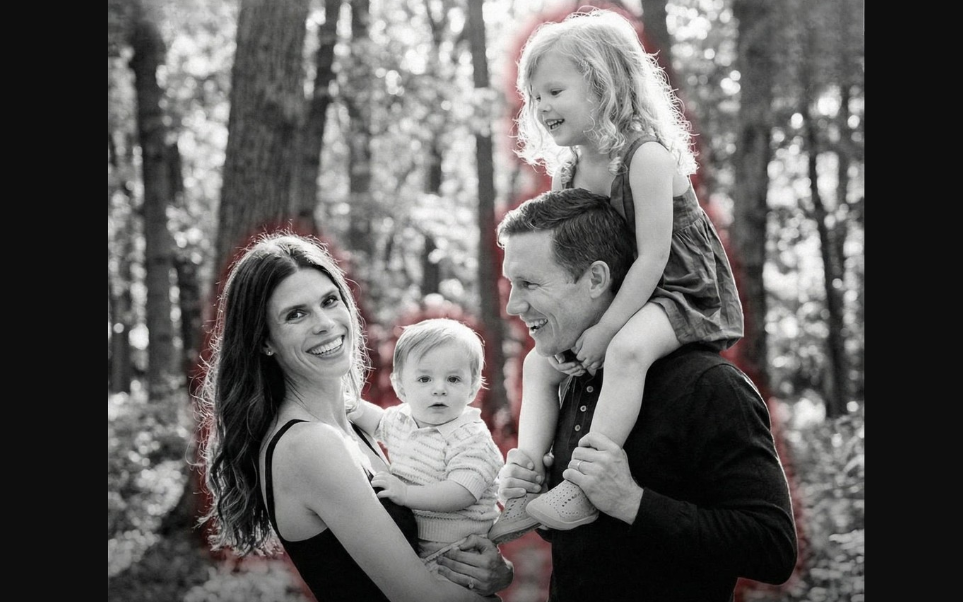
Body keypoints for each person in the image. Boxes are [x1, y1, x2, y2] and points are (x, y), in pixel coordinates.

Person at [488, 7, 745, 542]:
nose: (541, 107)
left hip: (680, 290)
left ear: (603, 85)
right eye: (534, 97)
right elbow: (570, 257)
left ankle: (583, 486)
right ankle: (527, 482)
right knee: (539, 364)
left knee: (627, 352)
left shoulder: (644, 157)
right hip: (624, 289)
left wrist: (604, 330)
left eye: (554, 91)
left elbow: (653, 258)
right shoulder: (568, 170)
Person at [494, 188, 797, 601]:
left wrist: (632, 502)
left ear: (596, 279)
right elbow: (596, 542)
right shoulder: (575, 378)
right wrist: (538, 494)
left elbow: (773, 548)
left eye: (529, 284)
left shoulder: (710, 385)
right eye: (512, 284)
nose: (513, 306)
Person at [196, 233, 513, 602]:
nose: (325, 323)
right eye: (296, 314)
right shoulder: (310, 444)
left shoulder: (350, 425)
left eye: (329, 301)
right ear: (265, 340)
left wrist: (496, 573)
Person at [348, 318, 504, 570]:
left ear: (473, 388)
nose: (439, 389)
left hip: (459, 549)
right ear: (400, 387)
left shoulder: (471, 437)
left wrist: (406, 494)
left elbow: (461, 492)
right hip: (416, 543)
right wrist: (350, 405)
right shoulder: (402, 419)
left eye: (453, 379)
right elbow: (377, 421)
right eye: (424, 379)